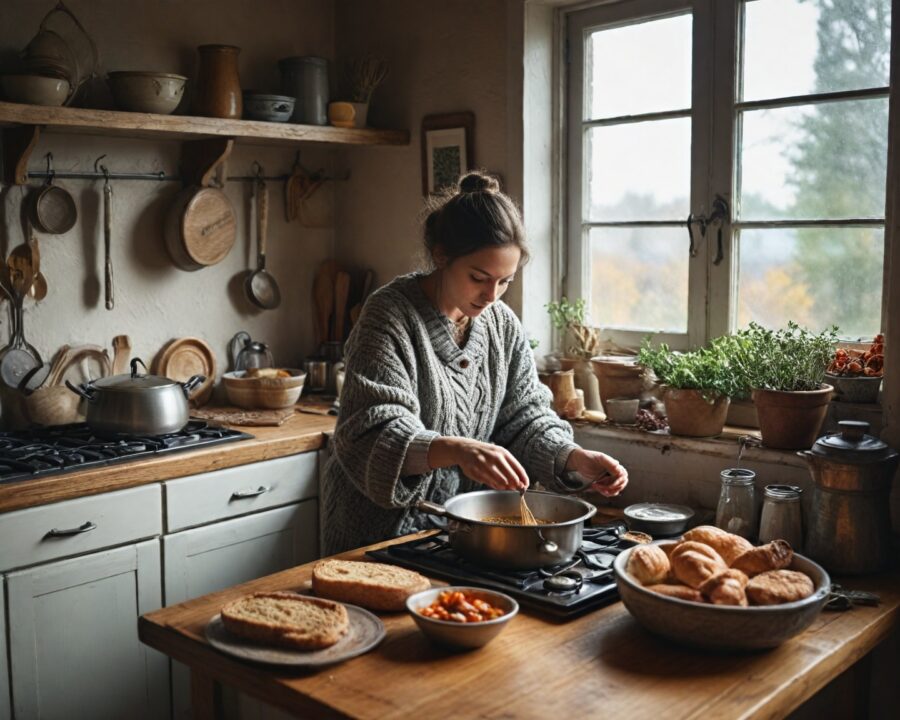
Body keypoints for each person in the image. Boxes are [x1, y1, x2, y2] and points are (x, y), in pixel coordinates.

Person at [321, 171, 628, 555]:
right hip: (376, 539)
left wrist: (573, 458)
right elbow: (374, 430)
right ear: (441, 256)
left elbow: (526, 419)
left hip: (459, 539)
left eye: (505, 282)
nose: (491, 296)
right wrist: (458, 450)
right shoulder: (389, 315)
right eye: (479, 278)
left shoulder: (502, 326)